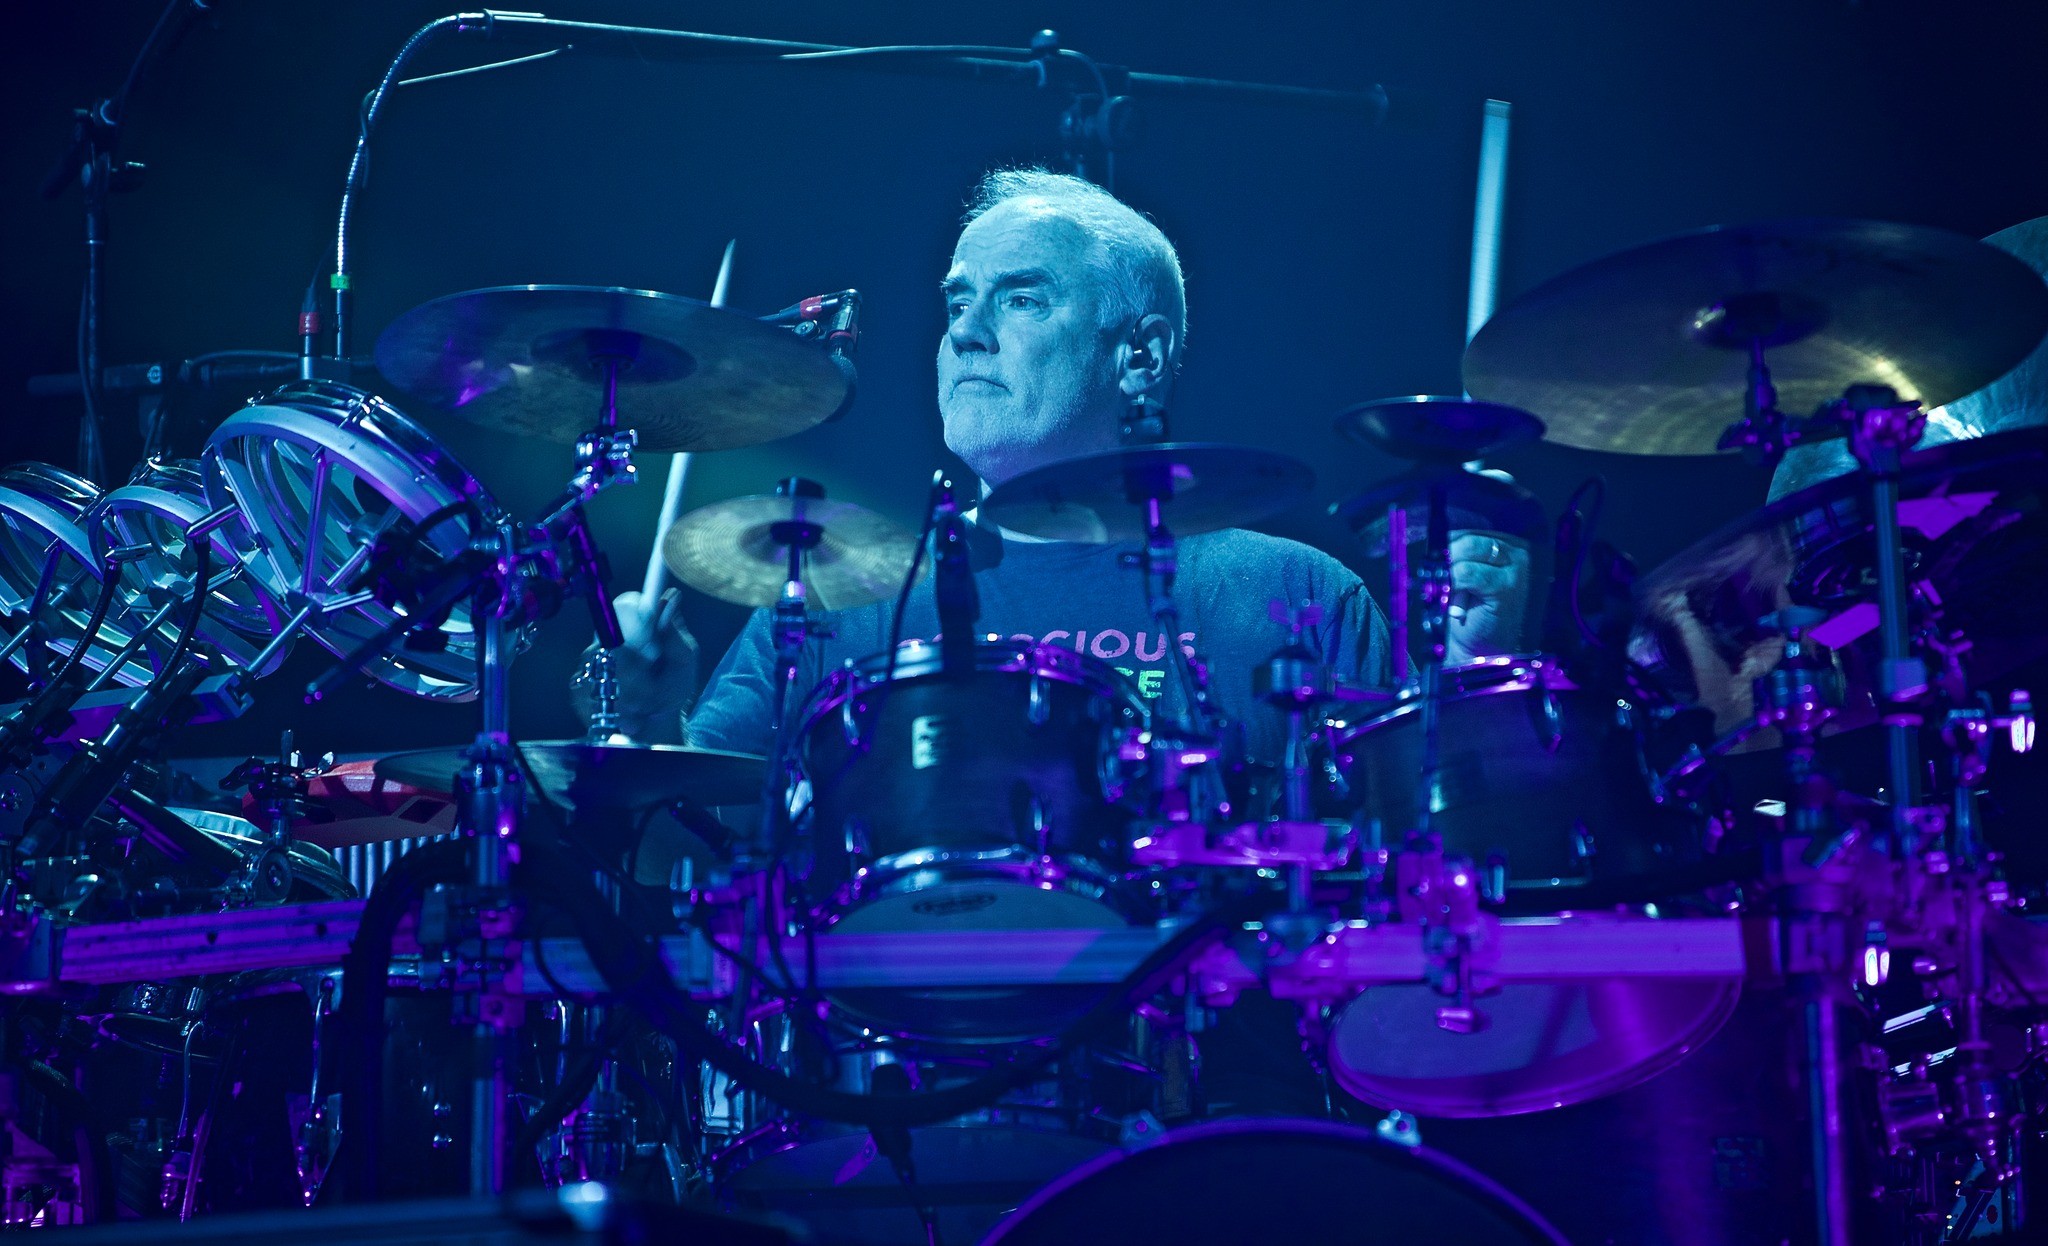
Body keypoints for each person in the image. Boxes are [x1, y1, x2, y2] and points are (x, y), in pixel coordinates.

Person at [601, 169, 1392, 759]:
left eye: (1021, 300)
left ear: (1140, 357)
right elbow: (684, 850)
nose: (965, 333)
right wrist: (647, 719)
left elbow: (1411, 856)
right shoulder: (837, 596)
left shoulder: (1297, 596)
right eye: (957, 302)